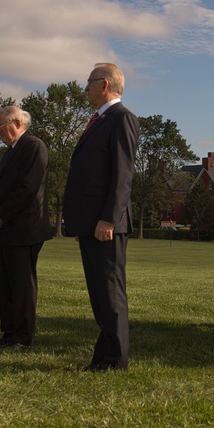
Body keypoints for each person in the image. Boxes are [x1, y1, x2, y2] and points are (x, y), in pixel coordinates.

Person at [64, 63, 139, 371]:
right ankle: (104, 357)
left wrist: (108, 218)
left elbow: (123, 175)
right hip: (92, 223)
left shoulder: (122, 119)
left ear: (104, 85)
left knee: (110, 294)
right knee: (100, 295)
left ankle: (115, 360)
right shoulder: (101, 120)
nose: (86, 88)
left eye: (90, 82)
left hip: (105, 224)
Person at [0, 106, 52, 350]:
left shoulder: (34, 146)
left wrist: (1, 215)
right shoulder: (11, 151)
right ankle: (9, 332)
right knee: (8, 284)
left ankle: (23, 338)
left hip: (24, 228)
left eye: (1, 127)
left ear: (17, 123)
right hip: (6, 228)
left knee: (22, 285)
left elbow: (27, 188)